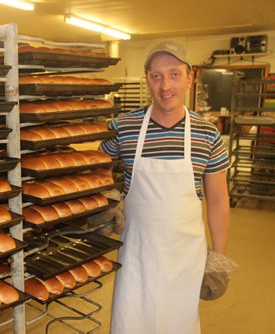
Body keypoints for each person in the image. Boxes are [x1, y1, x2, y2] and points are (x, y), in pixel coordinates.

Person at [100, 41, 230, 334]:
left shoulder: (208, 134)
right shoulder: (124, 127)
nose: (165, 85)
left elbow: (219, 200)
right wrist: (107, 195)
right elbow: (95, 166)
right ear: (147, 79)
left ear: (189, 77)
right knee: (131, 322)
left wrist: (219, 257)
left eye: (174, 74)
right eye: (156, 76)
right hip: (136, 254)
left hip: (184, 257)